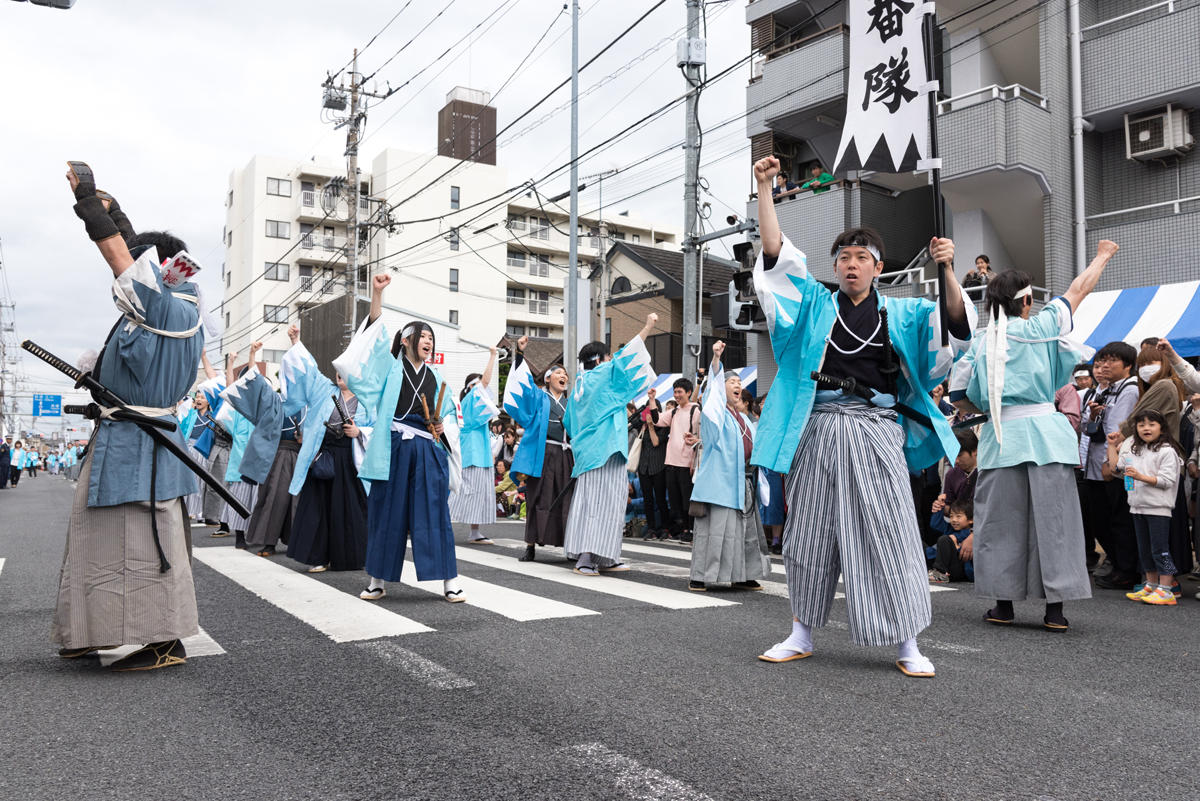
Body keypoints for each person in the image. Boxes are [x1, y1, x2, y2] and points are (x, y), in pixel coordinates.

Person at [748, 156, 975, 677]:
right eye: (843, 258)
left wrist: (945, 268)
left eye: (862, 258)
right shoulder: (811, 303)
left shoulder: (906, 311)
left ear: (878, 266)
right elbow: (776, 258)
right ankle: (801, 631)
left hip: (875, 429)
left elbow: (955, 329)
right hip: (818, 427)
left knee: (890, 531)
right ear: (834, 267)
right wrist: (765, 189)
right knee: (809, 532)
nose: (851, 265)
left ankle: (907, 641)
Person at [52, 163, 209, 671]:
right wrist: (116, 210)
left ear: (158, 267)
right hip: (126, 436)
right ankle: (89, 630)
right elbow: (133, 255)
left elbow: (122, 256)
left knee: (145, 542)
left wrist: (90, 206)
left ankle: (164, 640)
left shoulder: (171, 309)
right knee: (96, 537)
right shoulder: (163, 309)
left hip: (143, 443)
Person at [951, 242, 1118, 630]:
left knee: (1000, 523)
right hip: (1048, 435)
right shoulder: (1044, 326)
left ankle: (1004, 606)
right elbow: (1079, 289)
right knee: (1055, 522)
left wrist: (987, 408)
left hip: (1002, 436)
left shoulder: (982, 340)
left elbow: (960, 396)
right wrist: (1103, 255)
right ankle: (1055, 611)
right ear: (1027, 301)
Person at [333, 275, 464, 603]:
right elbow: (375, 332)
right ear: (406, 340)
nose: (429, 342)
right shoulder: (390, 368)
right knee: (386, 514)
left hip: (427, 450)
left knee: (434, 513)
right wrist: (377, 293)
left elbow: (445, 417)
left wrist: (440, 429)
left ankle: (449, 580)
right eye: (423, 336)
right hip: (393, 448)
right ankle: (377, 580)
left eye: (432, 338)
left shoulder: (436, 377)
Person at [561, 313, 658, 575]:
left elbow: (569, 425)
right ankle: (585, 558)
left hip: (595, 451)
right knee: (602, 503)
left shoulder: (577, 389)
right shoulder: (601, 375)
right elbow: (627, 358)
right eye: (607, 357)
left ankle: (604, 556)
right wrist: (647, 326)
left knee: (603, 502)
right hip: (605, 449)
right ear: (600, 360)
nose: (610, 361)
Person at [687, 341, 769, 592]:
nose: (738, 386)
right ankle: (701, 575)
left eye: (739, 384)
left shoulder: (743, 417)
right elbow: (712, 394)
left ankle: (742, 574)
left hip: (742, 480)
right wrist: (715, 360)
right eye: (732, 382)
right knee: (715, 530)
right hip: (720, 482)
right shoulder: (715, 414)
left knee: (744, 531)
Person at [285, 343, 373, 574]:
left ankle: (351, 557)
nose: (339, 374)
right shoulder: (326, 390)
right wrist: (296, 342)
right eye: (338, 370)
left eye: (345, 370)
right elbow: (309, 373)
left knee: (351, 508)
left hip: (352, 457)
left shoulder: (368, 400)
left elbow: (379, 428)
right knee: (318, 506)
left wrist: (360, 432)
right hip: (325, 455)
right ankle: (319, 556)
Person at [503, 336, 575, 561]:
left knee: (566, 498)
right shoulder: (538, 396)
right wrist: (520, 355)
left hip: (566, 454)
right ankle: (530, 546)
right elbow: (522, 385)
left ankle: (569, 545)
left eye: (565, 374)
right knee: (537, 498)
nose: (563, 376)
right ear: (547, 378)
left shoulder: (570, 402)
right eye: (558, 373)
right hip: (542, 454)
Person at [1082, 342, 1141, 590]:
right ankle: (1116, 562)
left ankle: (1127, 570)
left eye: (1111, 361)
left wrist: (1110, 462)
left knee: (1120, 518)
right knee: (1099, 519)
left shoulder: (1130, 389)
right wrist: (1094, 415)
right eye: (1101, 361)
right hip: (1095, 465)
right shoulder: (1100, 390)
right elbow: (1086, 427)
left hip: (1117, 468)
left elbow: (1119, 430)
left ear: (1127, 366)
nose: (1104, 366)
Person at [1109, 410, 1184, 605]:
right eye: (1141, 425)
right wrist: (1111, 445)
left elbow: (1167, 481)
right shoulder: (1135, 449)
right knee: (1145, 550)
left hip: (1158, 508)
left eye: (1151, 424)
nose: (1146, 428)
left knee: (1161, 549)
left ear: (1161, 428)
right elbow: (1115, 468)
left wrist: (1140, 476)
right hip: (1137, 507)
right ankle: (1151, 585)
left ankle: (1167, 589)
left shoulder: (1167, 451)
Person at [450, 348, 501, 544]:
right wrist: (492, 356)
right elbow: (485, 382)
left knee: (476, 492)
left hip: (480, 453)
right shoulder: (470, 398)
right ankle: (439, 522)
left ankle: (474, 532)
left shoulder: (471, 402)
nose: (483, 386)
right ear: (472, 386)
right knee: (466, 492)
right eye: (478, 384)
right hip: (473, 453)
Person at [656, 378, 702, 543]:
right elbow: (657, 419)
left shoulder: (695, 410)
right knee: (676, 498)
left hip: (686, 461)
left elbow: (701, 434)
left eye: (679, 392)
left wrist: (694, 461)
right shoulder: (674, 411)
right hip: (672, 461)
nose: (676, 395)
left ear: (689, 393)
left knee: (687, 498)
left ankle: (691, 529)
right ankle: (684, 528)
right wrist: (652, 400)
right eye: (674, 392)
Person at [194, 351, 233, 533]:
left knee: (225, 486)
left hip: (230, 447)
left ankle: (224, 522)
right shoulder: (218, 403)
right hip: (216, 445)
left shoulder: (231, 400)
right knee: (212, 485)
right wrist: (204, 358)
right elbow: (212, 378)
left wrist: (231, 363)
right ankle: (214, 519)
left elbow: (224, 383)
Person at [635, 392, 671, 542]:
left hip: (658, 467)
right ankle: (651, 528)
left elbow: (656, 442)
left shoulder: (664, 426)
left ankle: (665, 528)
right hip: (643, 467)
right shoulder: (640, 426)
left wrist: (650, 425)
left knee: (661, 499)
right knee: (648, 500)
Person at [927, 499, 974, 584]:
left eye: (958, 516)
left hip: (960, 570)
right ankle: (928, 571)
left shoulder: (971, 533)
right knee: (920, 545)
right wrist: (939, 508)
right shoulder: (950, 528)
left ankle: (940, 573)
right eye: (951, 516)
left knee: (944, 539)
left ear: (971, 519)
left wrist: (956, 546)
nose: (954, 520)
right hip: (947, 565)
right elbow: (935, 524)